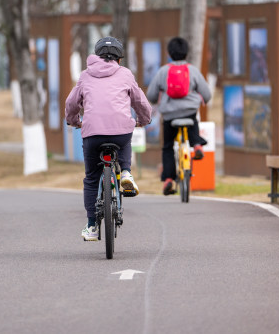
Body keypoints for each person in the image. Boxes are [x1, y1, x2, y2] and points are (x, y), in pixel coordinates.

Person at [65, 36, 152, 241]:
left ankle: (92, 226)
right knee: (124, 137)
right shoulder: (126, 74)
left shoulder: (85, 76)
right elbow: (139, 100)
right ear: (119, 59)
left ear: (97, 55)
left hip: (93, 133)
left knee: (92, 178)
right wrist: (143, 119)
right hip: (121, 131)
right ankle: (127, 173)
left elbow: (72, 103)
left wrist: (74, 121)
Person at [146, 37, 212, 196]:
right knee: (192, 122)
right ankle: (196, 145)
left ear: (169, 53)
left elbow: (151, 95)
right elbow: (207, 94)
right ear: (186, 53)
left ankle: (168, 179)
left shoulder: (163, 71)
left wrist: (156, 100)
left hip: (169, 115)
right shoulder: (193, 70)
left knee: (168, 146)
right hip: (189, 111)